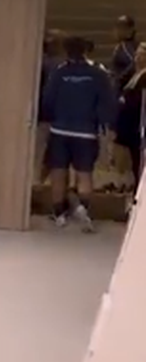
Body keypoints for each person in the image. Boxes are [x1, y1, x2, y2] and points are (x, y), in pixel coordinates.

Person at [42, 36, 115, 232]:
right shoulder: (98, 74)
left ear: (66, 51)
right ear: (85, 51)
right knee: (85, 174)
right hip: (86, 132)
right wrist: (103, 125)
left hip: (60, 130)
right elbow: (107, 102)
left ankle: (59, 215)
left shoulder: (60, 73)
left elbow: (48, 99)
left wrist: (49, 118)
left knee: (58, 173)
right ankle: (84, 209)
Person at [115, 42, 146, 192]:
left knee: (138, 161)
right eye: (136, 54)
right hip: (129, 123)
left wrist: (125, 99)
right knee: (132, 161)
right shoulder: (134, 73)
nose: (137, 58)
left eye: (141, 55)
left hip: (138, 123)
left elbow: (138, 99)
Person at [36, 30, 65, 183]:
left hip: (47, 117)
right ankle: (39, 181)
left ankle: (38, 182)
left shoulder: (45, 64)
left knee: (43, 153)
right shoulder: (60, 65)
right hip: (54, 117)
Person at [111, 15, 138, 94]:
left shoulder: (126, 47)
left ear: (129, 30)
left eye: (119, 28)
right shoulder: (123, 46)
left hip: (125, 92)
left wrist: (120, 79)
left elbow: (135, 63)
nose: (116, 31)